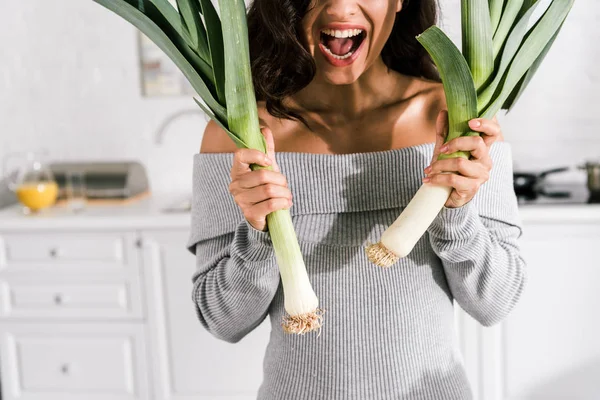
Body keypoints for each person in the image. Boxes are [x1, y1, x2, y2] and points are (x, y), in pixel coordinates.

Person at [187, 0, 527, 398]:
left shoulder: (456, 121)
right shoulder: (242, 137)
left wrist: (455, 213)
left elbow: (495, 302)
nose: (341, 6)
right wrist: (259, 232)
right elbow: (222, 320)